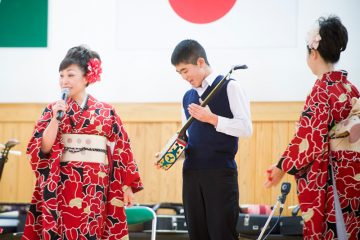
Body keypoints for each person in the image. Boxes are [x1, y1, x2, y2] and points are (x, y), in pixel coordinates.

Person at [23, 45, 143, 240]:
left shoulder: (106, 111)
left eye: (70, 75)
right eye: (61, 76)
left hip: (96, 185)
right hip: (62, 182)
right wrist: (55, 119)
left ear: (87, 77)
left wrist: (127, 186)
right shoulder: (52, 110)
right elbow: (41, 149)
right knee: (62, 230)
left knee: (93, 230)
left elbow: (122, 148)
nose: (64, 81)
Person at [265, 16, 360, 240]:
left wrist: (281, 167)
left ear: (313, 53)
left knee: (335, 231)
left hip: (333, 175)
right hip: (353, 173)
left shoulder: (321, 89)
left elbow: (309, 140)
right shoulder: (350, 87)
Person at [170, 39, 252, 240]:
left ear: (200, 62)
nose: (183, 77)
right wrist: (173, 152)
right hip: (191, 174)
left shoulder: (230, 87)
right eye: (179, 73)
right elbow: (188, 137)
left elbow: (245, 128)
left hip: (220, 174)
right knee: (197, 234)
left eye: (185, 70)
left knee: (222, 234)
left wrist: (212, 119)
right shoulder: (187, 97)